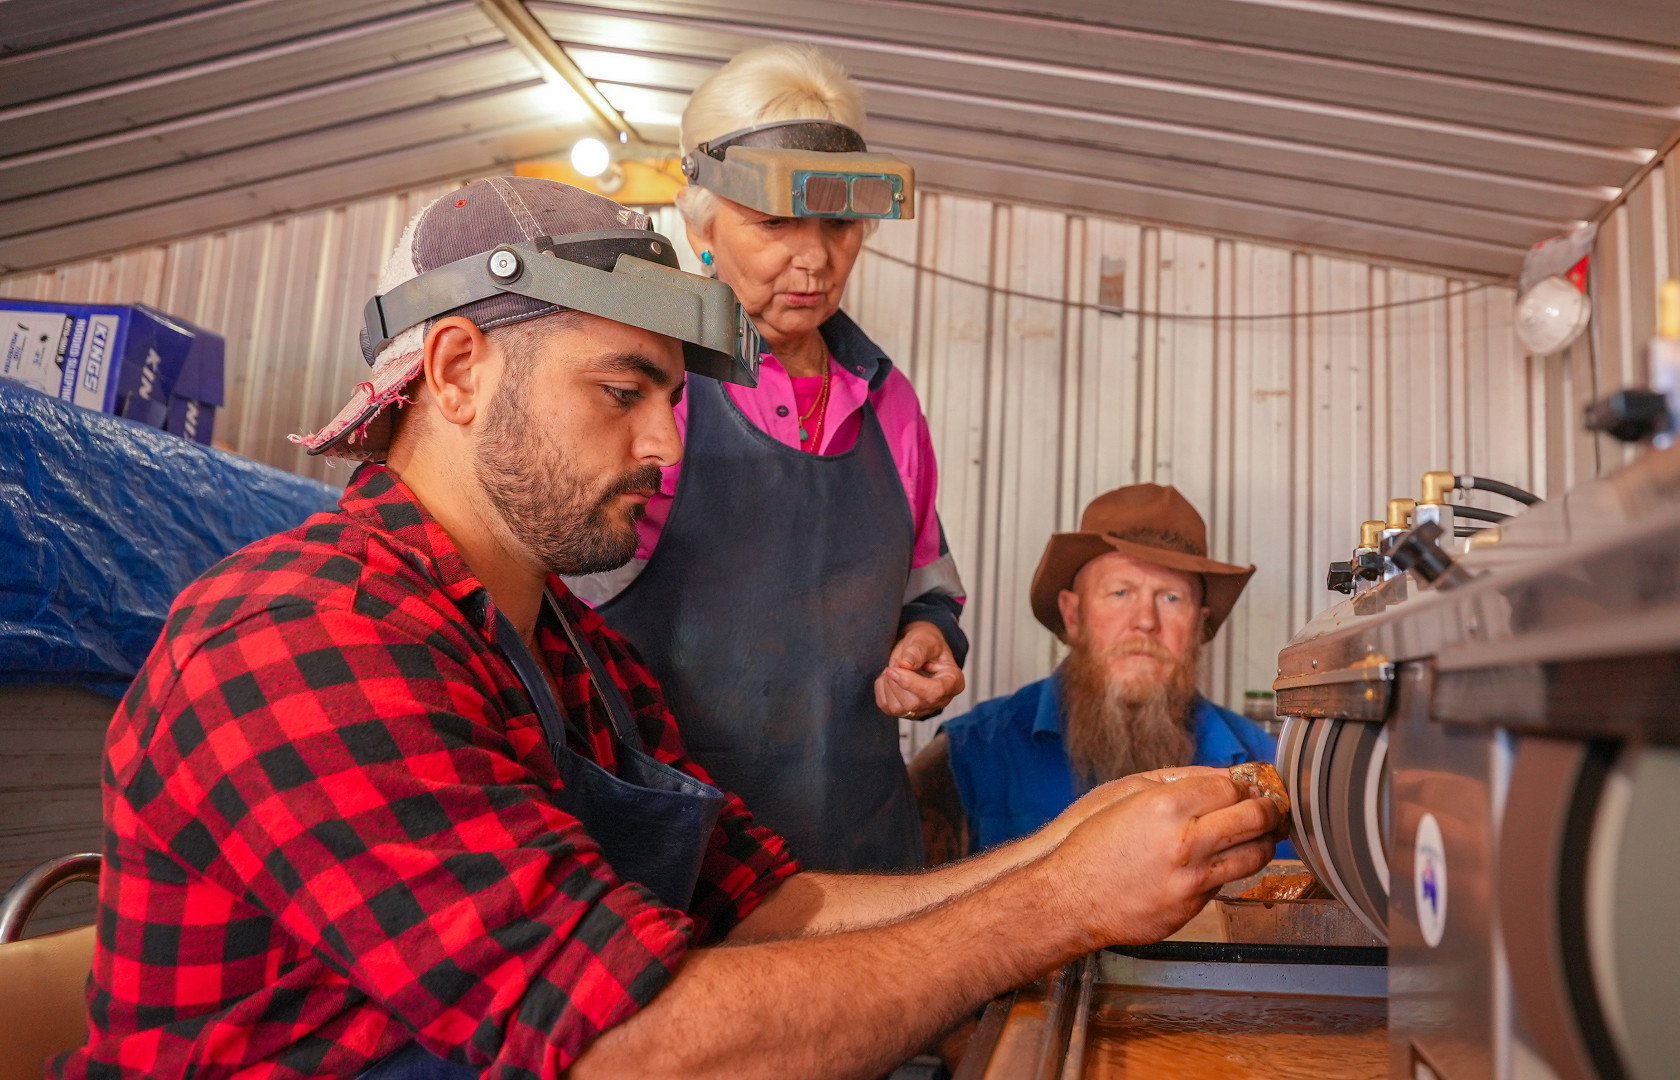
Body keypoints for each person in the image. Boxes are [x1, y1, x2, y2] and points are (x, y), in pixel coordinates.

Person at [56, 177, 1283, 1080]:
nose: (664, 444)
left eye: (672, 398)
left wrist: (1083, 837)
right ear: (460, 368)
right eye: (624, 392)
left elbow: (771, 907)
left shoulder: (571, 655)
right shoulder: (302, 640)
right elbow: (627, 1046)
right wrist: (1060, 903)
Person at [570, 44, 960, 874]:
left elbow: (928, 583)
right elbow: (553, 618)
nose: (815, 259)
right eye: (776, 223)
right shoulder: (646, 389)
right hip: (684, 871)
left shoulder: (887, 400)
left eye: (840, 224)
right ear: (704, 223)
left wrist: (929, 638)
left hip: (864, 859)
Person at [912, 484, 1288, 863]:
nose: (1145, 621)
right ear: (1073, 616)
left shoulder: (1270, 767)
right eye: (1120, 592)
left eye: (1171, 597)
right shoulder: (970, 756)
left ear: (1198, 626)